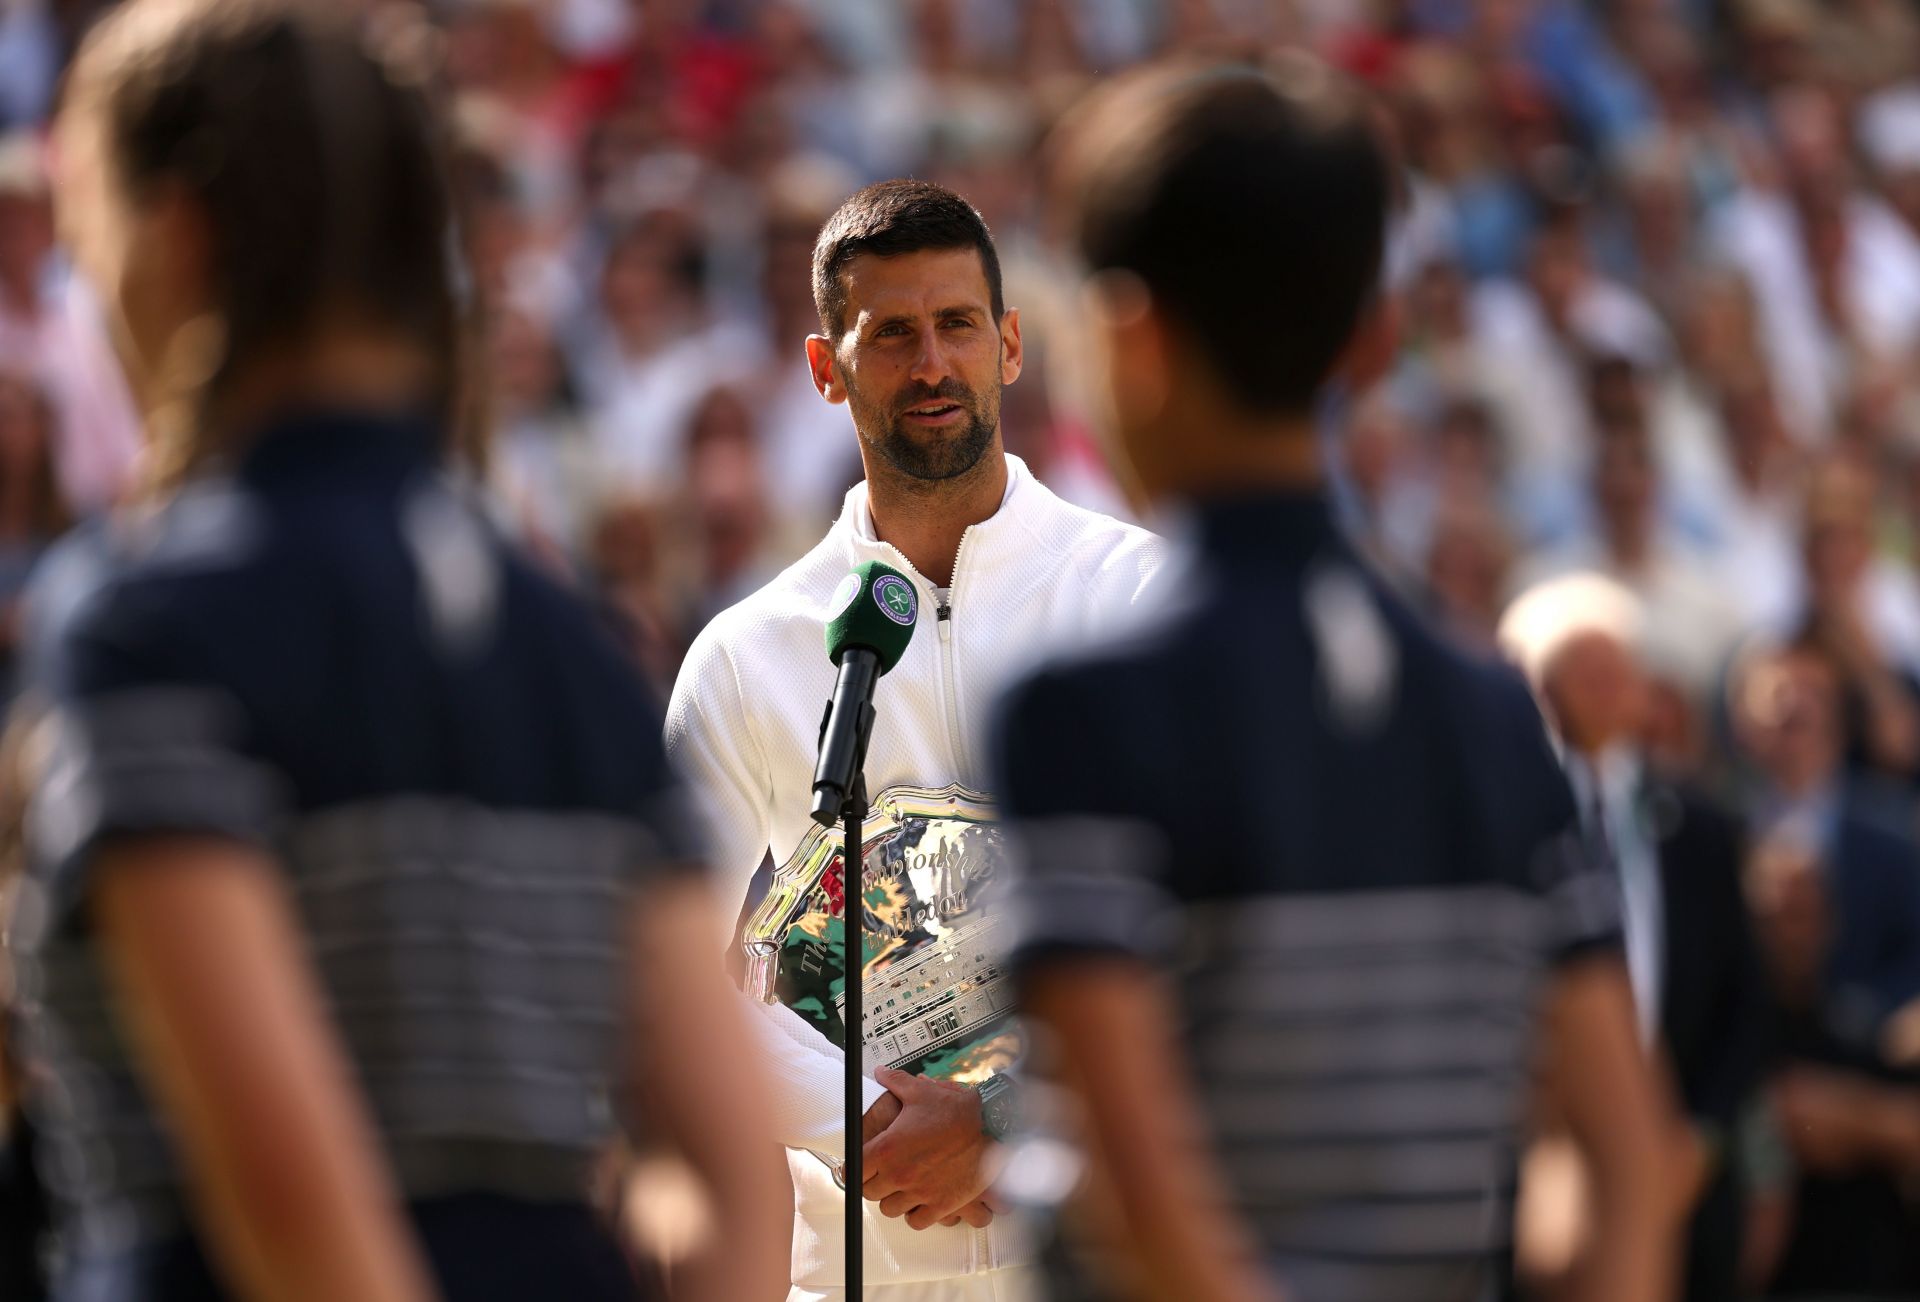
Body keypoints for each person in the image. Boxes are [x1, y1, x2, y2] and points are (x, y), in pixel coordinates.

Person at [7, 3, 788, 1300]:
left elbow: (295, 1209)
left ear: (176, 237)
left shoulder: (146, 630)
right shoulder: (573, 651)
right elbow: (735, 1189)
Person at [991, 58, 1677, 1302]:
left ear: (1130, 339)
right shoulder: (1495, 717)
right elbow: (1633, 1169)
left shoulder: (1079, 711)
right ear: (1376, 337)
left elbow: (1141, 1198)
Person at [664, 178, 1165, 1301]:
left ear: (1013, 345)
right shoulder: (747, 657)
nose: (932, 364)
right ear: (824, 368)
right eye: (890, 334)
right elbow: (662, 980)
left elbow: (1220, 926)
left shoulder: (1140, 598)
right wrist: (880, 1123)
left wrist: (1005, 1120)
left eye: (958, 325)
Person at [1500, 573, 1773, 1300]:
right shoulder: (1497, 820)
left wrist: (1698, 1142)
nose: (1609, 688)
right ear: (1535, 684)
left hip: (1685, 1180)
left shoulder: (1700, 825)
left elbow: (1744, 998)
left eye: (1619, 669)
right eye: (1582, 670)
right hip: (1531, 1172)